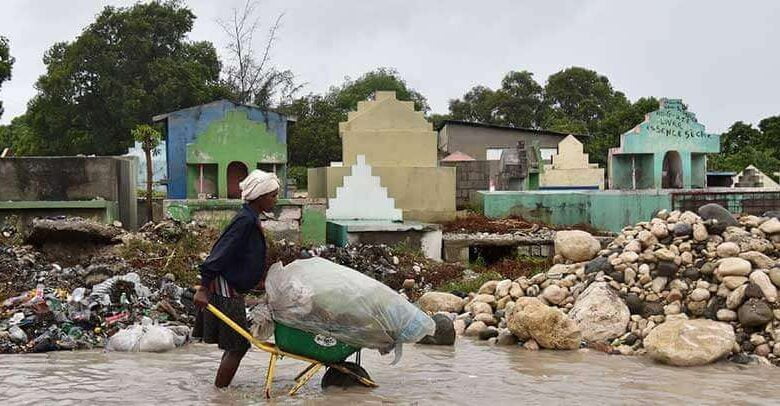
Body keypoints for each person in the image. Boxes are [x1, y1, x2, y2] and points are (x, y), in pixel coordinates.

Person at [192, 169, 279, 388]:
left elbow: (245, 255)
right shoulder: (245, 221)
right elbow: (219, 253)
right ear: (259, 196)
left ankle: (220, 392)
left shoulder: (250, 217)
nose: (275, 200)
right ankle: (220, 395)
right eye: (273, 195)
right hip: (225, 288)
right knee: (238, 346)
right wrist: (203, 288)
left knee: (235, 345)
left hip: (232, 286)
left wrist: (258, 279)